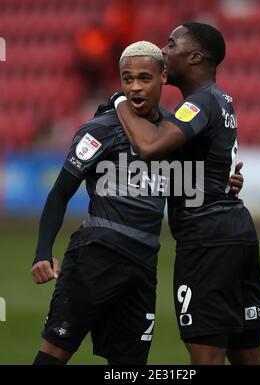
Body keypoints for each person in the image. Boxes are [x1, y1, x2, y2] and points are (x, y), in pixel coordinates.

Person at [31, 41, 243, 365]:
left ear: (163, 77)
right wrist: (43, 252)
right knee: (56, 351)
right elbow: (60, 192)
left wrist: (223, 185)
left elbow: (190, 184)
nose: (134, 87)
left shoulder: (175, 135)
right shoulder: (100, 130)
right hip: (95, 258)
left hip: (143, 267)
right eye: (127, 79)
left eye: (144, 77)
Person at [112, 23, 260, 365]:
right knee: (246, 352)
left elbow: (150, 148)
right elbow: (203, 163)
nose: (164, 50)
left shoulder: (197, 105)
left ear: (195, 57)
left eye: (171, 43)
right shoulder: (222, 99)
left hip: (206, 238)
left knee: (206, 355)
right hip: (236, 231)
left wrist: (121, 101)